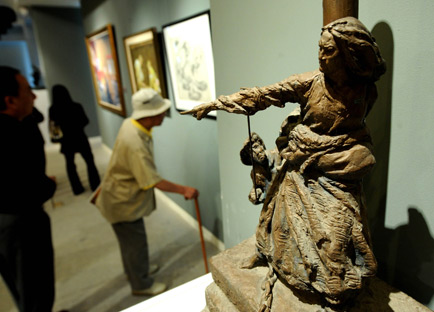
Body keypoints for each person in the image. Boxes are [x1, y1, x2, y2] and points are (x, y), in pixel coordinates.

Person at [184, 17, 386, 306]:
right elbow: (262, 95)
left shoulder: (366, 91)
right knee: (283, 228)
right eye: (319, 48)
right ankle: (287, 267)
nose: (321, 55)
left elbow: (356, 133)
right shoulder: (310, 83)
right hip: (301, 170)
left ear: (348, 55)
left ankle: (335, 283)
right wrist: (217, 104)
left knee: (338, 238)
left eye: (328, 51)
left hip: (337, 170)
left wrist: (331, 150)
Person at [95, 88, 199, 296]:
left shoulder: (131, 125)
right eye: (161, 112)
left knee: (129, 243)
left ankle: (135, 271)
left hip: (120, 195)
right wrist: (184, 189)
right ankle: (140, 284)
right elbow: (152, 180)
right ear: (149, 115)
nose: (164, 115)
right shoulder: (135, 143)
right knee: (136, 244)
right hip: (122, 201)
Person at [0, 66, 57, 311]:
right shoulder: (11, 136)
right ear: (10, 100)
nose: (34, 97)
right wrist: (49, 185)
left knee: (21, 285)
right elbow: (26, 187)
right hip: (20, 222)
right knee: (36, 288)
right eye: (28, 91)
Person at [49, 84, 100, 195]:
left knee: (70, 164)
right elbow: (85, 121)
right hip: (79, 137)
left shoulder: (53, 109)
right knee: (89, 161)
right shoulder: (76, 106)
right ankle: (95, 184)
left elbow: (53, 126)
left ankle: (77, 188)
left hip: (66, 140)